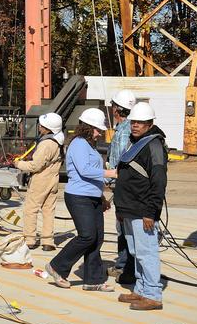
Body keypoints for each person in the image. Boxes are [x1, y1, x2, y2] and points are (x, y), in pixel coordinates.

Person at [41, 108, 117, 292]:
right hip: (79, 197)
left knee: (97, 238)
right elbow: (84, 170)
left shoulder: (89, 145)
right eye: (97, 129)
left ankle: (93, 280)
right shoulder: (79, 144)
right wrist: (111, 173)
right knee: (87, 235)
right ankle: (57, 266)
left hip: (92, 197)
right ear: (88, 128)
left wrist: (102, 195)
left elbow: (92, 175)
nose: (100, 133)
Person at [114, 101, 168, 311]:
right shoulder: (135, 141)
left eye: (140, 123)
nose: (135, 125)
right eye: (134, 122)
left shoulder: (153, 145)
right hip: (128, 208)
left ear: (150, 123)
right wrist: (120, 209)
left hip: (142, 210)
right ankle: (141, 289)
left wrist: (150, 212)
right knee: (137, 252)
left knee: (147, 253)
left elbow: (158, 182)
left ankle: (153, 294)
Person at [13, 111, 65, 253]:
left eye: (42, 125)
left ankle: (30, 240)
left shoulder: (46, 144)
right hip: (53, 178)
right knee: (48, 210)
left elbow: (35, 165)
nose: (39, 127)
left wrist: (19, 164)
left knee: (31, 209)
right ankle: (48, 241)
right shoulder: (59, 140)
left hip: (41, 179)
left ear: (48, 128)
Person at [106, 89, 137, 286]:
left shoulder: (123, 131)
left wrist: (108, 180)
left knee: (124, 227)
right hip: (128, 186)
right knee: (125, 227)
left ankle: (125, 266)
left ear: (118, 109)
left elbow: (117, 161)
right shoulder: (128, 129)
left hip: (123, 187)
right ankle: (123, 264)